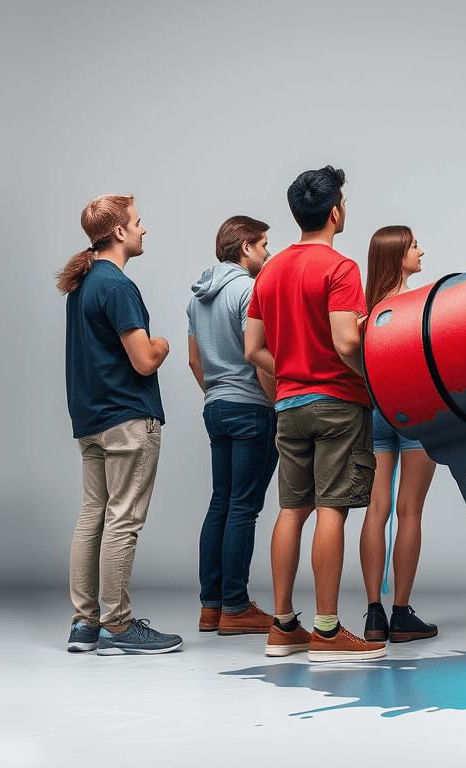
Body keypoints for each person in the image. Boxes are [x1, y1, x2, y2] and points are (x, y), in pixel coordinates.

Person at [245, 166, 385, 662]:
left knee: (291, 510)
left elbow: (252, 347)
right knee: (332, 510)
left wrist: (290, 370)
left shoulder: (272, 269)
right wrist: (367, 378)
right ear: (335, 211)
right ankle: (327, 633)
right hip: (337, 405)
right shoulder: (340, 268)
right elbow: (347, 339)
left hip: (289, 406)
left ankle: (283, 627)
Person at [57, 194, 182, 656]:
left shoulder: (84, 284)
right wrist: (164, 343)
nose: (143, 229)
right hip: (128, 419)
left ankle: (84, 625)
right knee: (122, 521)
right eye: (138, 222)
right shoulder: (117, 285)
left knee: (93, 517)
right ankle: (120, 624)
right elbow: (145, 360)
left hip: (90, 420)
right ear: (119, 233)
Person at [186, 216, 279, 636]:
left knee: (220, 502)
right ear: (244, 247)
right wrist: (278, 404)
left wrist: (216, 391)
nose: (267, 253)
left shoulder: (197, 297)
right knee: (244, 506)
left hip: (215, 407)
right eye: (263, 246)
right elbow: (255, 353)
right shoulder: (248, 289)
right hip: (251, 409)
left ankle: (211, 607)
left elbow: (194, 362)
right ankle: (237, 607)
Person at [358, 226, 439, 642]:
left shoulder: (364, 310)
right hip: (415, 412)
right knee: (409, 511)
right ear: (397, 256)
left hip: (374, 411)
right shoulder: (418, 304)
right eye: (413, 246)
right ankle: (402, 614)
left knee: (376, 509)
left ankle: (373, 615)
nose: (421, 251)